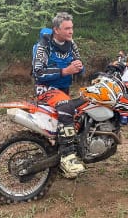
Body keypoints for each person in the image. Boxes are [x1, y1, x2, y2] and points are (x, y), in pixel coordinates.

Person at [32, 12, 86, 178]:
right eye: (67, 28)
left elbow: (79, 67)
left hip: (64, 90)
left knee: (84, 108)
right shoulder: (43, 47)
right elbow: (38, 72)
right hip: (46, 89)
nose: (71, 32)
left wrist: (79, 67)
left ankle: (73, 148)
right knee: (67, 107)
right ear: (56, 30)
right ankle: (67, 157)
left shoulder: (71, 43)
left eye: (72, 28)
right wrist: (65, 71)